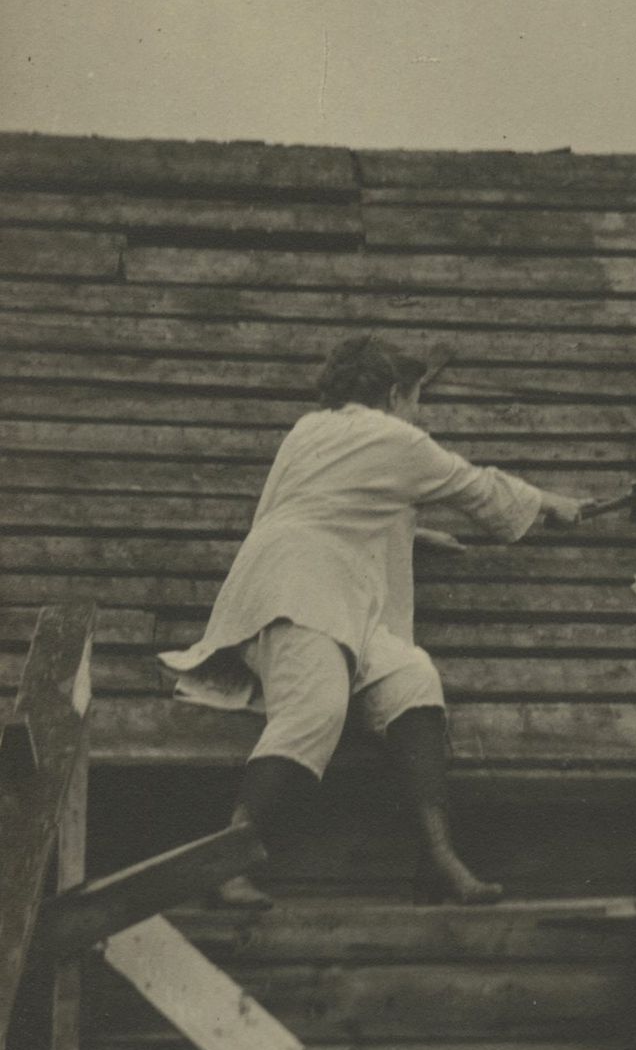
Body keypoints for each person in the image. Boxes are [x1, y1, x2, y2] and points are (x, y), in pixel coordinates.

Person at [159, 334, 587, 908]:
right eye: (416, 400)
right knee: (315, 709)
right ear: (392, 394)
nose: (420, 414)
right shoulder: (396, 439)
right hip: (299, 590)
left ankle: (438, 859)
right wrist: (551, 504)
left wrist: (412, 530)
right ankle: (225, 865)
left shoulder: (309, 429)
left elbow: (338, 499)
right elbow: (475, 487)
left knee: (413, 678)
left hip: (332, 594)